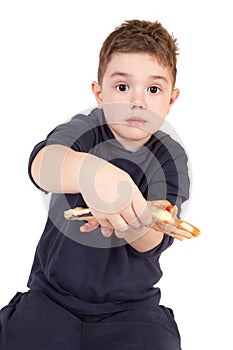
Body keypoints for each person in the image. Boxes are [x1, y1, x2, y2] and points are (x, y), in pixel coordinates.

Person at [0, 19, 190, 349]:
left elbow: (151, 240)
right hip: (52, 300)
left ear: (170, 100)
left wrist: (128, 215)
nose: (138, 101)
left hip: (131, 310)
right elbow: (41, 166)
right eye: (122, 87)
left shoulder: (171, 157)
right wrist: (92, 172)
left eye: (153, 89)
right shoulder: (84, 130)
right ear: (98, 93)